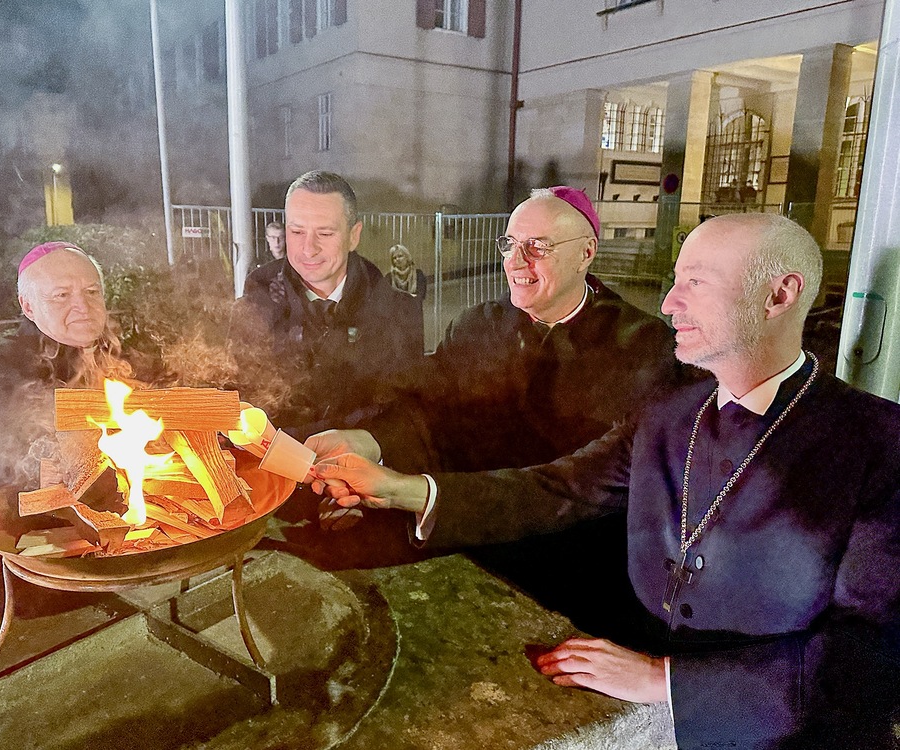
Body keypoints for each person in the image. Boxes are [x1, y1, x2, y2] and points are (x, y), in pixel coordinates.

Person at [311, 213, 900, 748]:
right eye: (674, 281)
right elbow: (556, 490)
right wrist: (398, 489)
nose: (668, 304)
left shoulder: (881, 443)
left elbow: (871, 653)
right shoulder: (669, 414)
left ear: (779, 294)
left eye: (696, 283)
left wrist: (665, 680)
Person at [310, 187, 681, 640]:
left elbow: (588, 491)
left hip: (568, 572)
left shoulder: (644, 348)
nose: (515, 261)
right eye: (509, 244)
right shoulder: (478, 324)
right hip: (461, 534)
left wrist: (412, 493)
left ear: (586, 253)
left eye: (537, 247)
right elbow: (430, 411)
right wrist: (371, 442)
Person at [240, 171, 424, 436]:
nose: (308, 248)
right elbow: (235, 405)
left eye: (325, 233)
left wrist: (368, 443)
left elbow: (407, 417)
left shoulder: (397, 313)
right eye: (297, 231)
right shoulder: (253, 307)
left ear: (353, 236)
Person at [0, 242, 131, 490]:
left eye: (92, 292)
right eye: (62, 295)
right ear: (28, 307)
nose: (83, 307)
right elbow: (1, 460)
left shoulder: (128, 360)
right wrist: (37, 472)